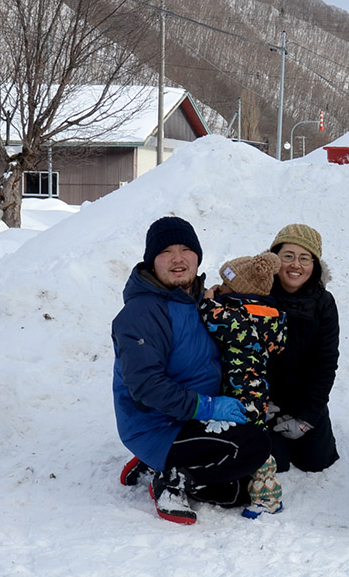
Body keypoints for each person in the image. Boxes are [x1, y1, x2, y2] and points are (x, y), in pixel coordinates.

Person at [113, 216, 270, 525]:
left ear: (197, 257)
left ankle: (161, 463)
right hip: (158, 424)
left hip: (194, 416)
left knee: (236, 492)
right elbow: (145, 386)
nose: (178, 258)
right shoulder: (141, 313)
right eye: (166, 251)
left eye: (186, 249)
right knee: (254, 446)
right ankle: (169, 479)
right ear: (152, 260)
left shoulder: (200, 300)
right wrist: (209, 406)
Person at [199, 252, 288, 518]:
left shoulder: (239, 317)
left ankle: (268, 496)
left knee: (253, 442)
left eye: (225, 285)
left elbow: (213, 318)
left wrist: (207, 301)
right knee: (252, 434)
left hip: (242, 390)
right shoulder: (271, 316)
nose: (219, 288)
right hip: (256, 389)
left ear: (240, 292)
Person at [266, 224, 341, 472]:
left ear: (314, 265)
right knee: (276, 463)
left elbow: (326, 363)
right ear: (274, 259)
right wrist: (258, 403)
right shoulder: (257, 294)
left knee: (316, 461)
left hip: (304, 398)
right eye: (288, 256)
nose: (295, 265)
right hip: (264, 399)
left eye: (304, 258)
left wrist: (308, 417)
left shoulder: (323, 302)